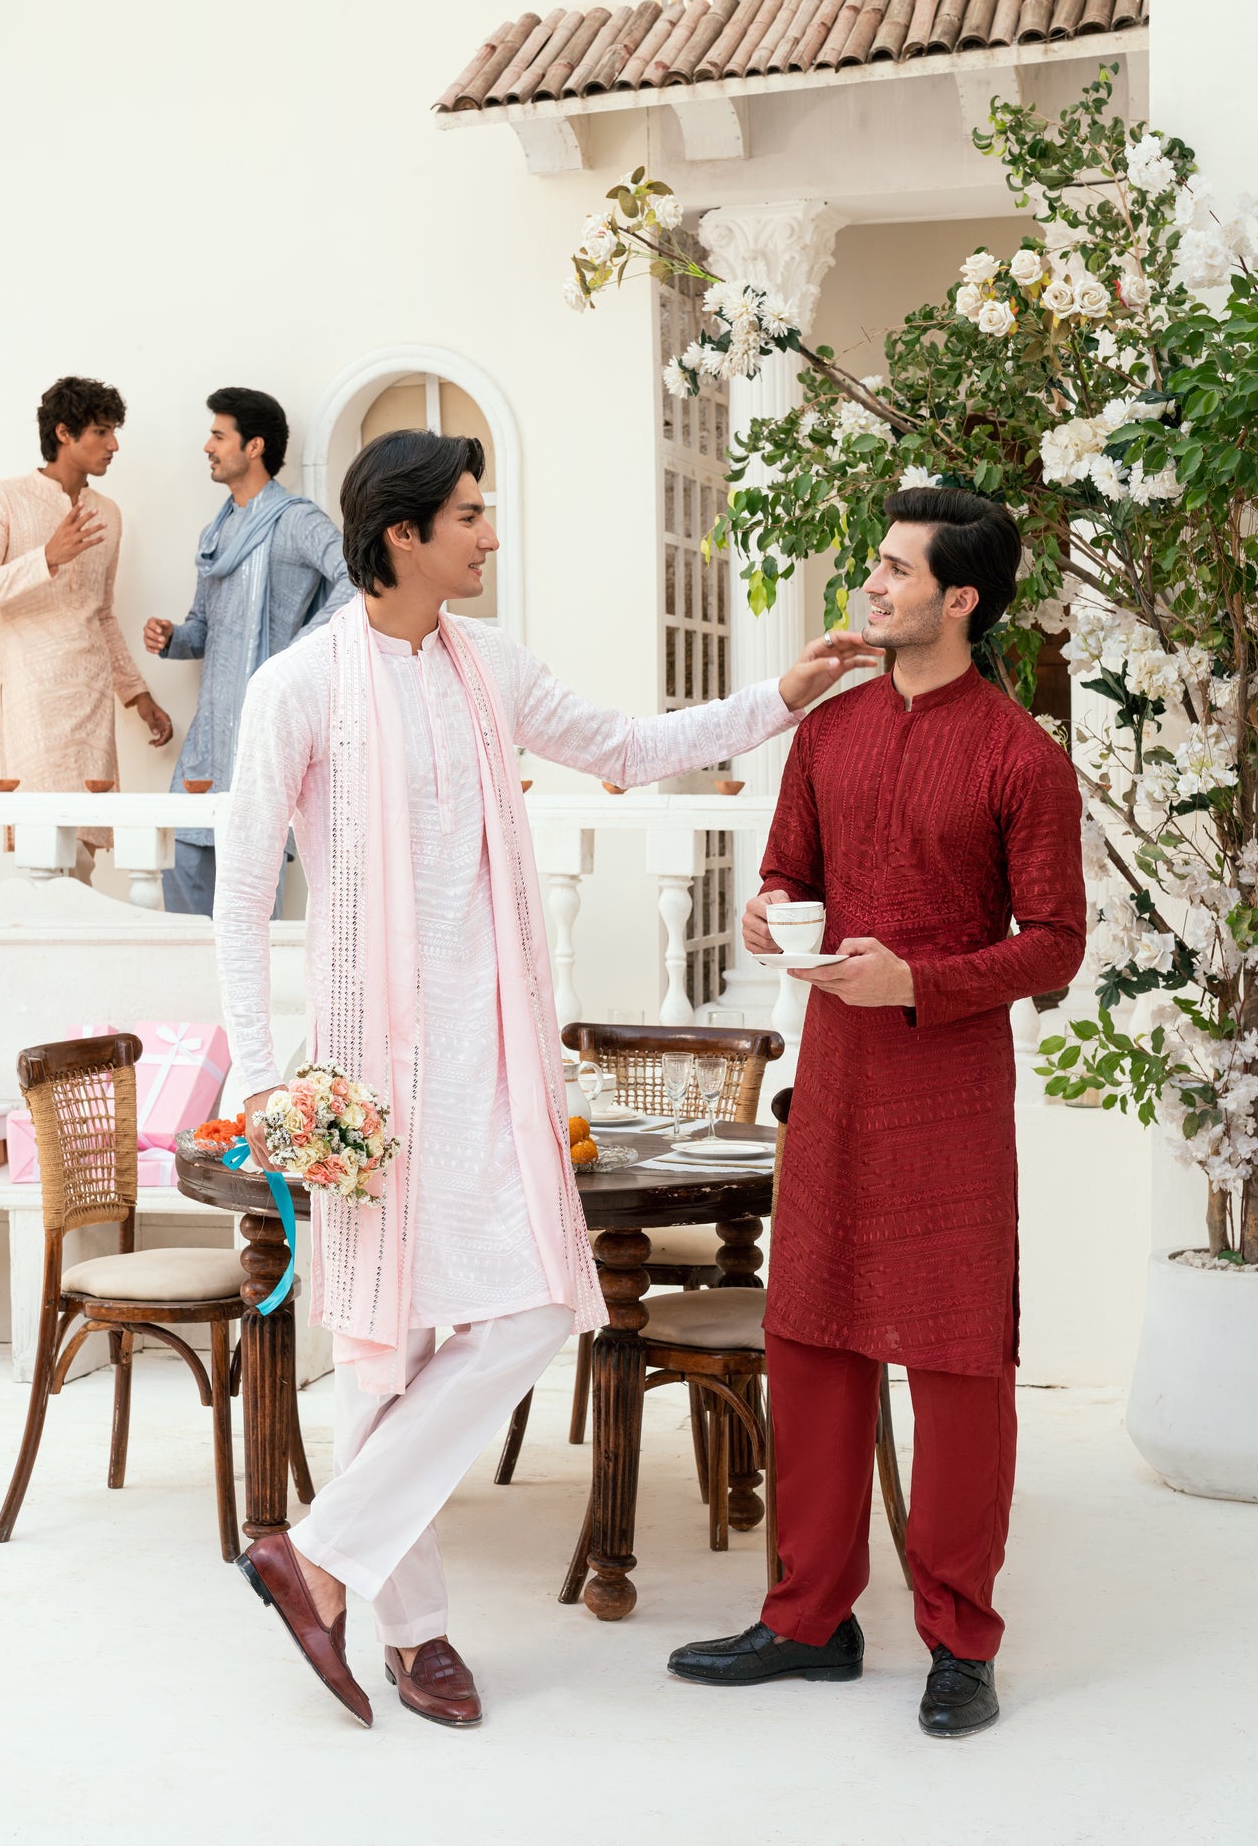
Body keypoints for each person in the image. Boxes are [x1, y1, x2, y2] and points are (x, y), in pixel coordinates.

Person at [214, 427, 878, 1731]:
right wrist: (258, 1086)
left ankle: (319, 1555)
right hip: (367, 1076)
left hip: (497, 1057)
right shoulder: (299, 688)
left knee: (530, 1307)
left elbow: (627, 746)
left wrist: (781, 697)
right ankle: (413, 1636)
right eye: (469, 514)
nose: (490, 533)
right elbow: (241, 902)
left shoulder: (489, 666)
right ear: (402, 534)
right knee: (385, 1352)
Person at [668, 487, 1086, 1739]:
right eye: (878, 564)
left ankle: (960, 1640)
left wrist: (921, 983)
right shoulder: (829, 731)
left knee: (956, 1363)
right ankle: (808, 1620)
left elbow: (1054, 944)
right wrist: (767, 913)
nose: (873, 584)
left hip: (948, 1090)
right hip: (835, 1081)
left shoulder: (1019, 757)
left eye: (898, 570)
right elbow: (785, 870)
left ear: (960, 598)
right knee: (810, 1341)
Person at [144, 387, 353, 916]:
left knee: (249, 907)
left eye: (219, 436)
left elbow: (356, 578)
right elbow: (203, 627)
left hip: (262, 733)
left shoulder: (296, 520)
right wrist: (173, 638)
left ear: (254, 446)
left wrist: (297, 651)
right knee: (179, 871)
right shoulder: (217, 533)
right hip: (209, 742)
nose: (208, 447)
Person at [0, 376, 172, 883]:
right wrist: (46, 558)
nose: (113, 445)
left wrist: (137, 695)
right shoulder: (4, 499)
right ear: (64, 433)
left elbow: (102, 613)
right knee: (44, 848)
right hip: (34, 695)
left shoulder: (107, 514)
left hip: (92, 698)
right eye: (101, 431)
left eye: (114, 431)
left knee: (83, 854)